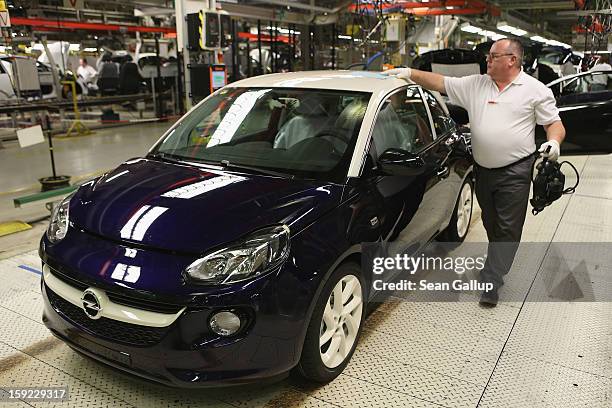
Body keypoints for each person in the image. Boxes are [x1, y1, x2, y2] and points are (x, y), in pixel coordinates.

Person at [383, 38, 566, 307]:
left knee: (507, 229)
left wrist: (554, 143)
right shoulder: (476, 84)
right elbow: (440, 82)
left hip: (515, 171)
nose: (487, 60)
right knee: (493, 223)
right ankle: (496, 261)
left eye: (493, 56)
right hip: (483, 169)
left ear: (512, 60)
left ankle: (492, 280)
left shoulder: (535, 90)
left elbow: (554, 123)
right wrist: (409, 73)